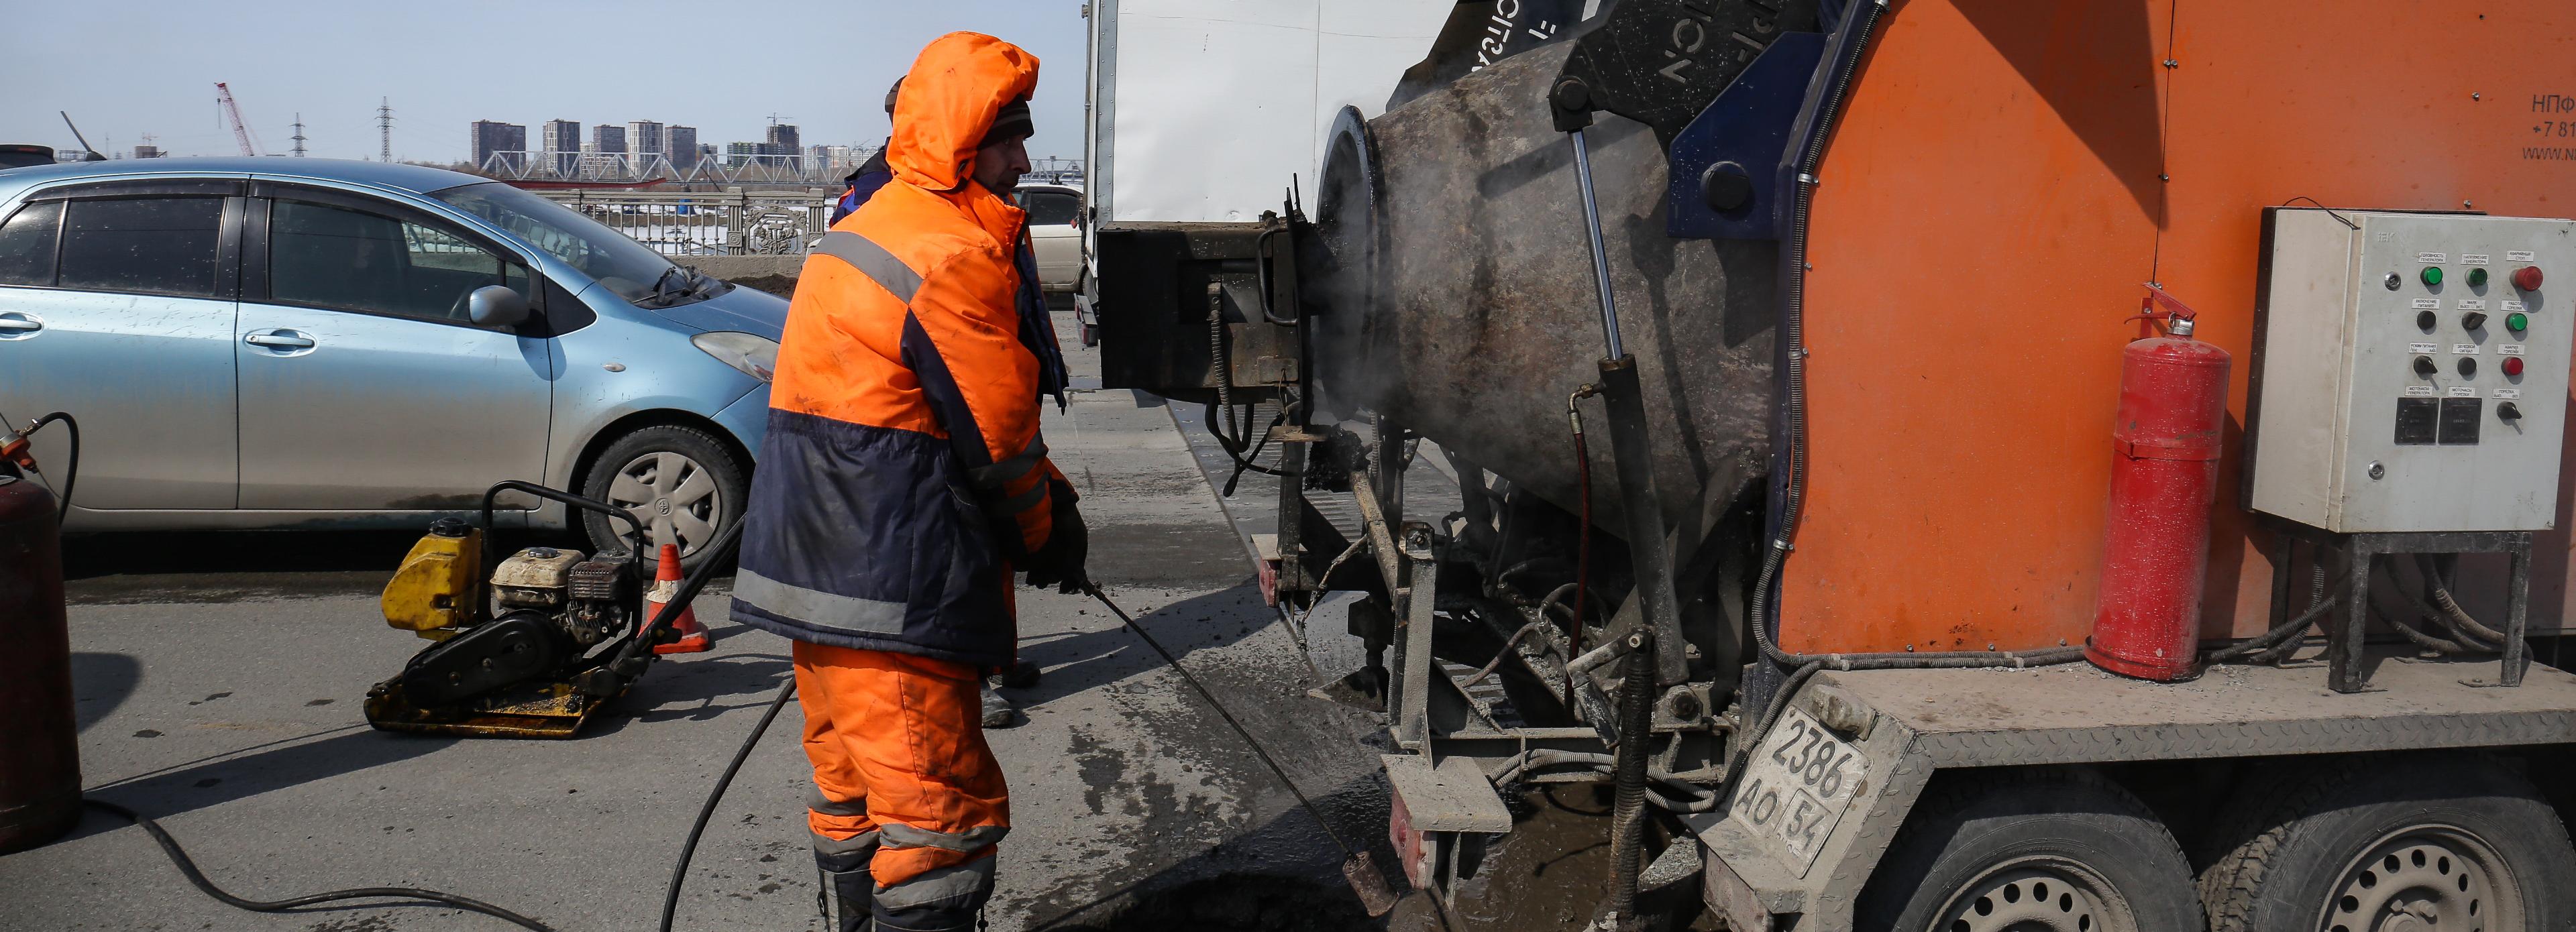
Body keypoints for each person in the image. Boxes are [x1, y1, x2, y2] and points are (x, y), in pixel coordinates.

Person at [729, 32, 1084, 932]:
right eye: (1009, 138)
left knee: (852, 797)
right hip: (891, 589)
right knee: (938, 830)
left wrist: (1044, 494)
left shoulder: (865, 228)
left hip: (820, 574)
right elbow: (996, 440)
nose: (1024, 159)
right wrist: (1047, 531)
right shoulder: (949, 253)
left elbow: (906, 411)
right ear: (965, 141)